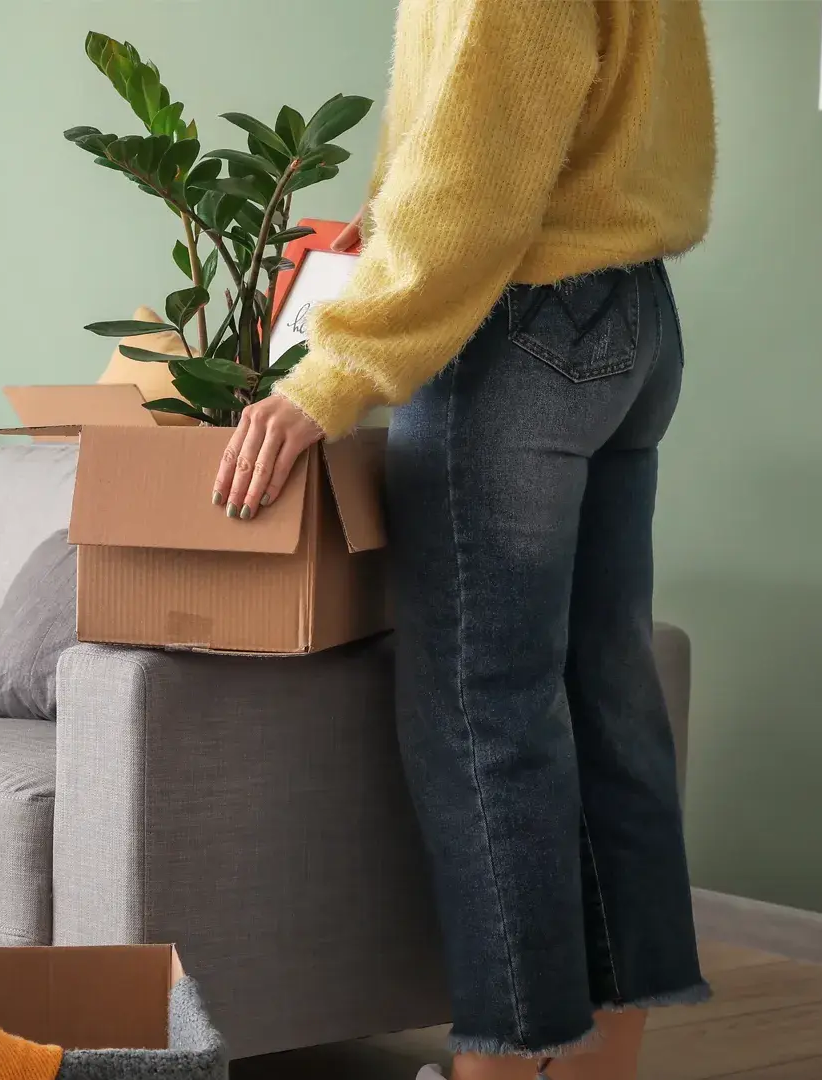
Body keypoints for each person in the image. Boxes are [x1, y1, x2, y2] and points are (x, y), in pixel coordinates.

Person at [213, 2, 715, 1079]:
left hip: (516, 332)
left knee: (485, 714)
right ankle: (596, 1067)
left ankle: (495, 1069)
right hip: (635, 321)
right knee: (609, 702)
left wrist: (333, 373)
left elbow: (475, 178)